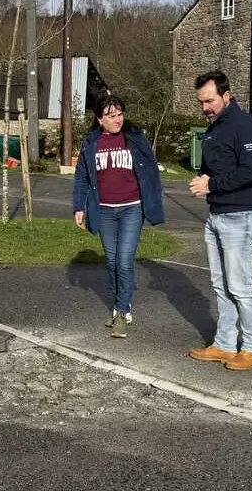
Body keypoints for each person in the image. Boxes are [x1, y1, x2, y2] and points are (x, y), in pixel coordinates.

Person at [187, 70, 252, 371]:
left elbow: (251, 171)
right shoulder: (214, 129)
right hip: (218, 215)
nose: (205, 107)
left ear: (226, 95)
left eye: (209, 100)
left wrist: (211, 185)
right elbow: (217, 170)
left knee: (240, 285)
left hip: (242, 217)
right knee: (221, 285)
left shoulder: (244, 125)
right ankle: (224, 343)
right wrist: (205, 180)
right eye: (201, 102)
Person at [72, 94, 165, 339]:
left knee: (124, 260)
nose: (117, 120)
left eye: (120, 114)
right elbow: (82, 177)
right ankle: (118, 306)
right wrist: (78, 207)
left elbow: (151, 170)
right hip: (103, 210)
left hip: (131, 208)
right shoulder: (91, 142)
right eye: (111, 116)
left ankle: (123, 312)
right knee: (112, 262)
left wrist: (153, 199)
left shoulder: (134, 137)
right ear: (100, 119)